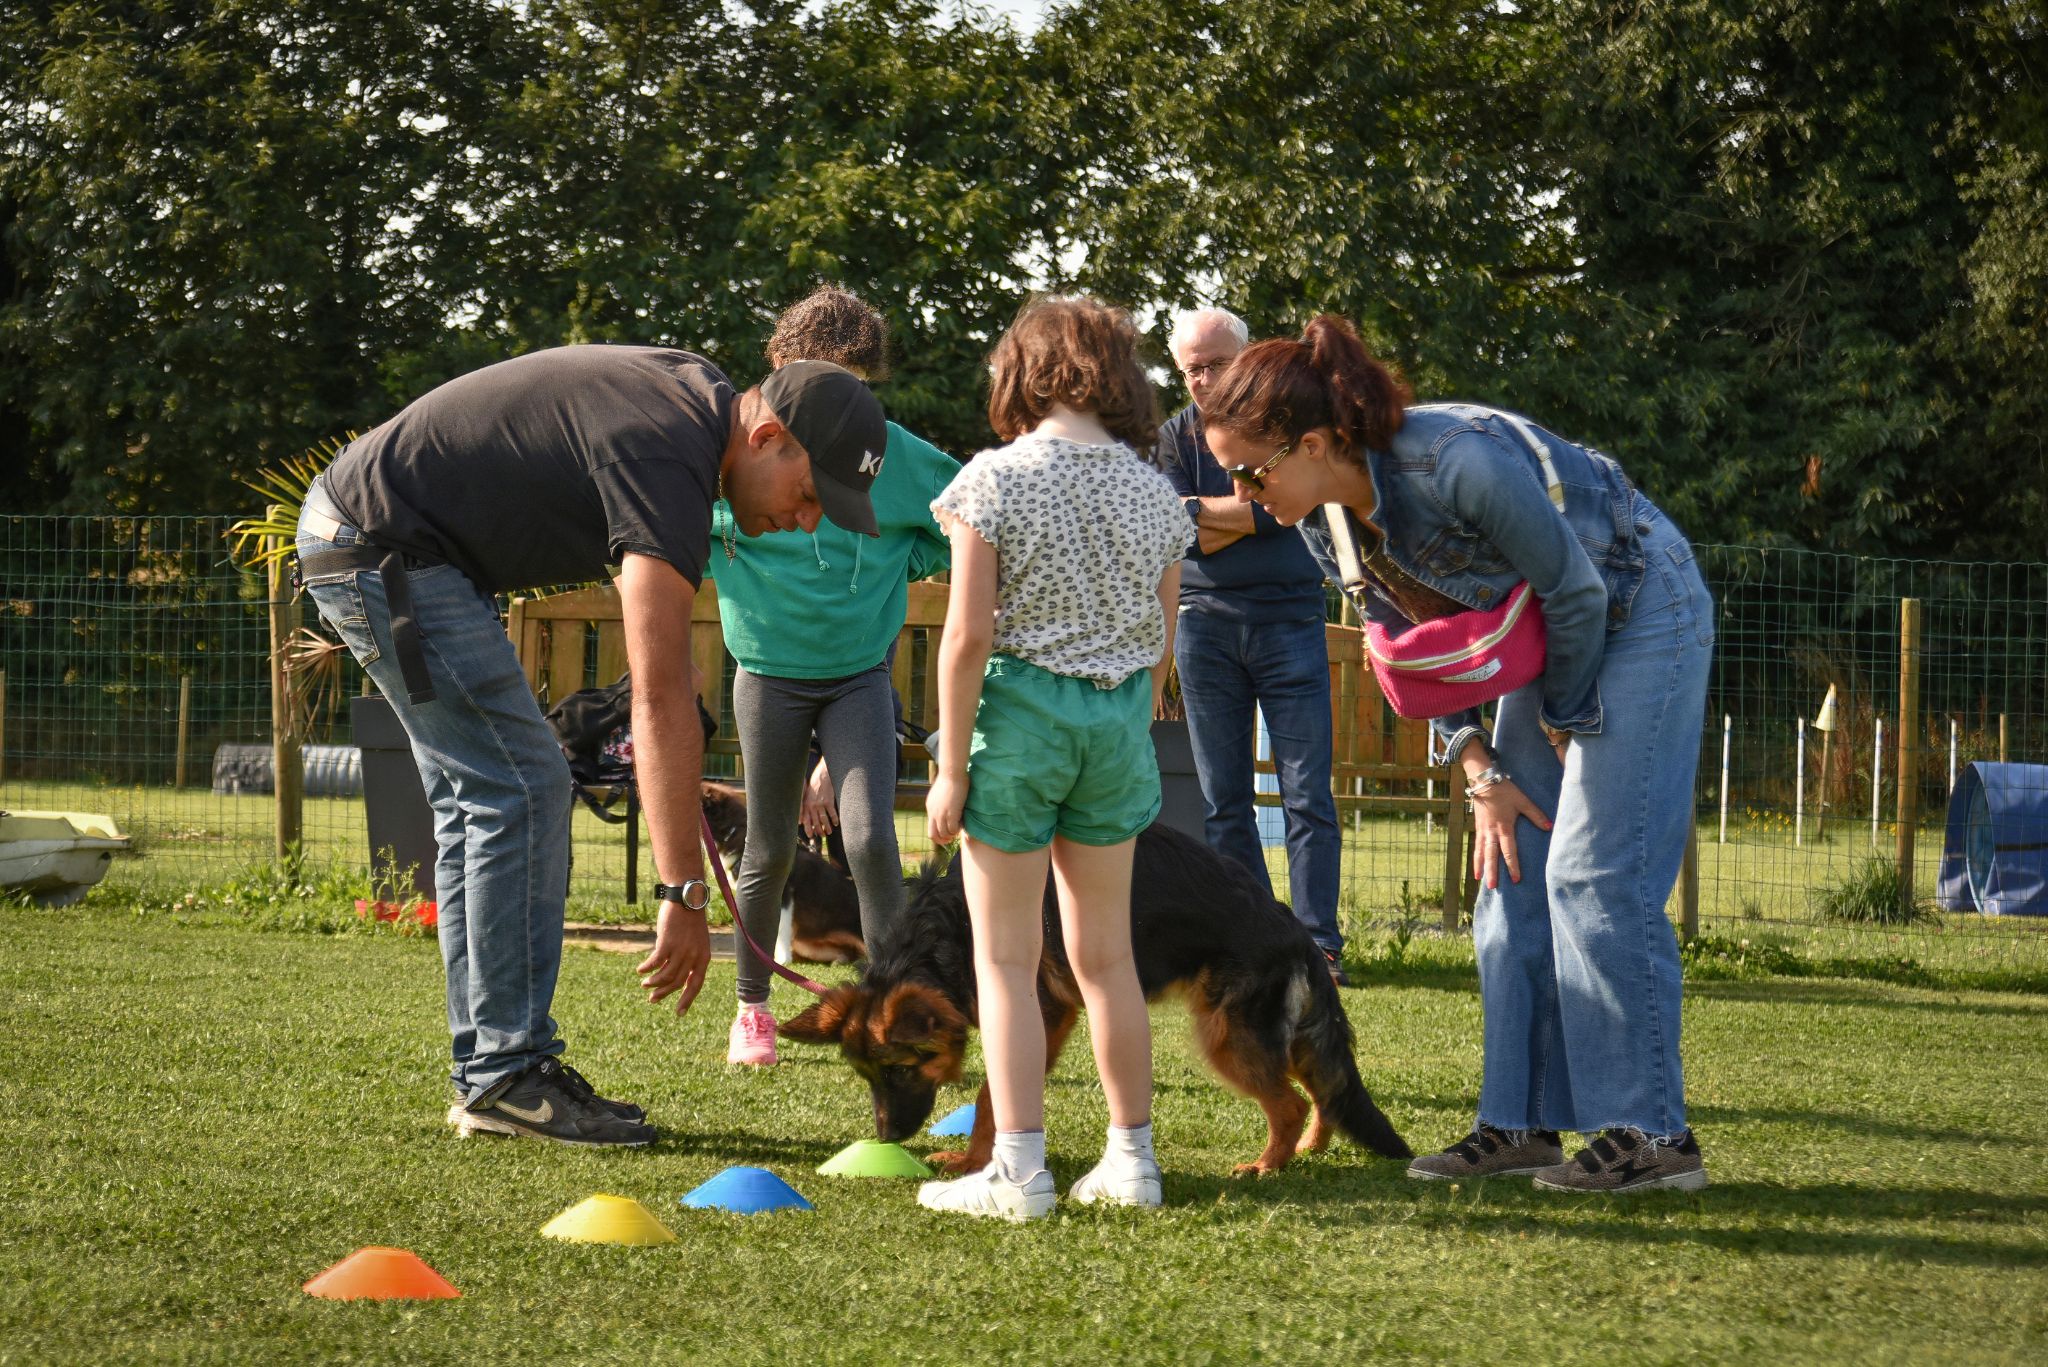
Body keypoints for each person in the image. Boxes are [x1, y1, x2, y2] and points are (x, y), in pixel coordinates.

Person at [297, 344, 886, 1147]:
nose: (808, 518)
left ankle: (497, 1071)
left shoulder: (692, 411)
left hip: (380, 539)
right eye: (811, 493)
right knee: (524, 784)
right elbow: (660, 696)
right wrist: (683, 892)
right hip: (384, 546)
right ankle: (507, 1072)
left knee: (486, 798)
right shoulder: (668, 454)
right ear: (766, 437)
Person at [1200, 315, 1713, 1193]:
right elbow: (1410, 652)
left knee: (1592, 872)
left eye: (1251, 471)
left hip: (1637, 607)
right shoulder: (1326, 522)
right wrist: (1482, 770)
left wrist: (1563, 717)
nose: (1241, 492)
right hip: (1553, 631)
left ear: (1313, 444)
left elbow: (1576, 591)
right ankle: (1519, 1124)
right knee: (1509, 869)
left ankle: (1654, 1135)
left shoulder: (1456, 463)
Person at [917, 296, 1191, 1221]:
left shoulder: (992, 480)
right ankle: (1133, 1161)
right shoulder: (1156, 494)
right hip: (1116, 727)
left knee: (1006, 958)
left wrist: (951, 768)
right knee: (1107, 958)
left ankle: (1019, 1170)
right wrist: (1128, 714)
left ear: (1023, 371)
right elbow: (1161, 642)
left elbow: (966, 638)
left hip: (1022, 727)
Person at [705, 286, 958, 1066]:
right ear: (778, 371)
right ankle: (752, 1009)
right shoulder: (728, 453)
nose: (837, 409)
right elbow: (676, 530)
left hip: (858, 678)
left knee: (872, 838)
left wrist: (904, 559)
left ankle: (895, 1008)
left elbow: (963, 521)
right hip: (767, 677)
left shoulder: (895, 455)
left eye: (852, 389)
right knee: (769, 846)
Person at [1156, 307, 1349, 985]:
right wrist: (1246, 514)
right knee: (1223, 800)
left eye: (1217, 364)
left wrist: (1205, 516)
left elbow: (1289, 509)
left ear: (1246, 359)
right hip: (1202, 625)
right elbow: (1174, 527)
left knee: (1307, 793)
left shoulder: (1286, 423)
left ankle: (1320, 943)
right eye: (1193, 369)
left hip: (1292, 617)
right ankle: (1259, 939)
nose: (1204, 379)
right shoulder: (1172, 435)